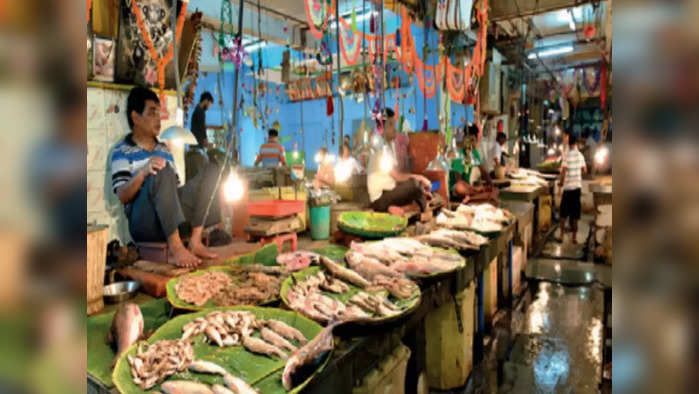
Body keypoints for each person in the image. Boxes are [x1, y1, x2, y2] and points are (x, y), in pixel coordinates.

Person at [110, 87, 222, 268]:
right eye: (152, 113)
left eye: (159, 113)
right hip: (144, 224)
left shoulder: (163, 148)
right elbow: (123, 196)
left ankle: (195, 240)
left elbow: (173, 192)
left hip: (169, 217)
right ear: (135, 117)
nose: (158, 118)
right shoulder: (121, 151)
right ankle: (176, 247)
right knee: (161, 170)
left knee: (212, 170)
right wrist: (143, 172)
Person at [367, 108, 432, 221]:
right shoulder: (380, 149)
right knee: (414, 184)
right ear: (382, 128)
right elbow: (397, 176)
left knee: (420, 190)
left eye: (394, 124)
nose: (395, 129)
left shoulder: (388, 147)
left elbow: (397, 179)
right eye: (391, 125)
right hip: (379, 200)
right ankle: (403, 208)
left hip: (389, 194)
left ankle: (404, 207)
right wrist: (419, 178)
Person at [451, 124, 496, 203]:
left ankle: (471, 197)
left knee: (494, 191)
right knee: (459, 188)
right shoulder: (459, 155)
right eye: (468, 140)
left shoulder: (474, 153)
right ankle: (476, 195)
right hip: (456, 189)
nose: (470, 144)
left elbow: (483, 172)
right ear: (464, 139)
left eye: (473, 140)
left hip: (469, 189)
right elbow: (459, 181)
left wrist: (491, 185)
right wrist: (475, 189)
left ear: (476, 141)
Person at [558, 133, 587, 244]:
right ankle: (574, 237)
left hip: (568, 188)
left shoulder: (566, 155)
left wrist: (561, 182)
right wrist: (577, 174)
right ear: (576, 143)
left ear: (569, 143)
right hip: (577, 188)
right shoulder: (580, 155)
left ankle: (561, 235)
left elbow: (564, 171)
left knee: (563, 213)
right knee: (575, 214)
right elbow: (585, 170)